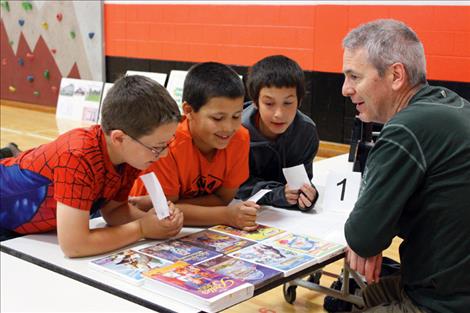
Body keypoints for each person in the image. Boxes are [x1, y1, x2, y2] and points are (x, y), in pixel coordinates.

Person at [342, 19, 470, 313]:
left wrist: (371, 236)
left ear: (396, 75)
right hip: (447, 287)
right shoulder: (454, 105)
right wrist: (372, 234)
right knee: (359, 296)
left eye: (354, 76)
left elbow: (362, 235)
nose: (345, 89)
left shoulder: (406, 129)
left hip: (442, 303)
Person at [0, 75, 184, 257]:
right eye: (157, 147)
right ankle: (10, 151)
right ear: (119, 138)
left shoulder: (130, 154)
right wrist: (142, 228)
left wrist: (157, 223)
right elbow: (74, 245)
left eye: (167, 144)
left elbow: (114, 211)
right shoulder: (77, 156)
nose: (165, 153)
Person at [129, 62, 260, 231]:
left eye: (236, 116)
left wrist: (181, 206)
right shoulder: (165, 145)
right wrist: (226, 215)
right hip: (141, 223)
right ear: (188, 110)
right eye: (218, 118)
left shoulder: (240, 138)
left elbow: (223, 198)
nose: (229, 128)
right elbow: (163, 211)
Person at [236, 55, 320, 211]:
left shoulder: (306, 132)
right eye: (269, 103)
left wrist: (307, 196)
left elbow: (301, 180)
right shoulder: (236, 131)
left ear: (299, 101)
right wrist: (277, 194)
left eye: (288, 103)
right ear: (255, 101)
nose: (279, 114)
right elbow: (237, 185)